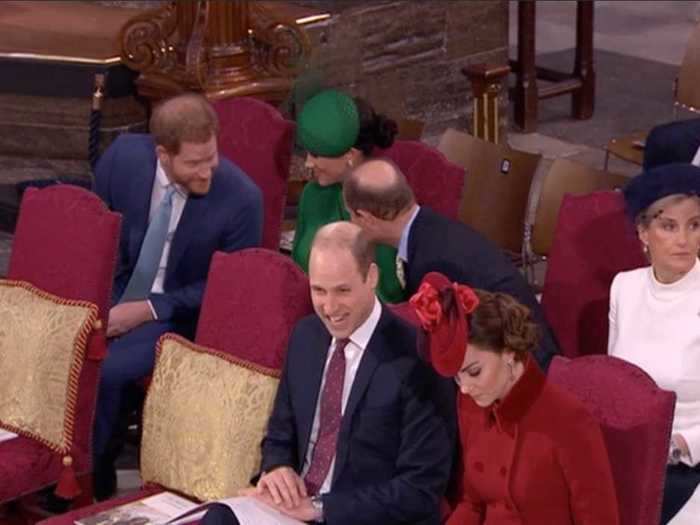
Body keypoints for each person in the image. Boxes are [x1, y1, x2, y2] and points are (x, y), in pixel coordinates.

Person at [203, 222, 452, 525]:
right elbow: (281, 431)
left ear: (371, 277)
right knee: (218, 518)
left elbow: (419, 489)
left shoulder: (417, 358)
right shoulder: (305, 336)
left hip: (355, 516)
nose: (329, 307)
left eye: (342, 291)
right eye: (318, 290)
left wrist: (321, 508)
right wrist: (277, 467)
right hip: (291, 509)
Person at [92, 93, 263, 499]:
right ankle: (53, 461)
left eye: (212, 157)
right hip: (119, 287)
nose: (207, 171)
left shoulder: (242, 199)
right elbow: (99, 234)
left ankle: (92, 476)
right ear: (162, 155)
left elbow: (229, 290)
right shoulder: (122, 159)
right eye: (194, 163)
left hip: (180, 311)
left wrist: (147, 310)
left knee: (108, 370)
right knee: (61, 341)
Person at [410, 271, 619, 525]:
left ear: (508, 351)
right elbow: (472, 504)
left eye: (474, 372)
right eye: (457, 378)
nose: (464, 388)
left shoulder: (570, 421)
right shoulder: (470, 404)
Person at [343, 158, 559, 371]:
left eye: (351, 216)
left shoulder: (433, 265)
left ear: (365, 217)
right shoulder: (430, 228)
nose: (352, 223)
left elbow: (445, 353)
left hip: (525, 373)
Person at [608, 163, 700, 524]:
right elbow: (615, 380)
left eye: (694, 225)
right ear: (643, 232)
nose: (684, 240)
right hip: (630, 453)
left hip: (687, 463)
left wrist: (679, 446)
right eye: (668, 226)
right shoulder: (624, 287)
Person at [291, 89, 406, 303]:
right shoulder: (312, 196)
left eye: (316, 154)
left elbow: (387, 295)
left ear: (350, 155)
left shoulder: (382, 206)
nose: (307, 163)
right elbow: (295, 270)